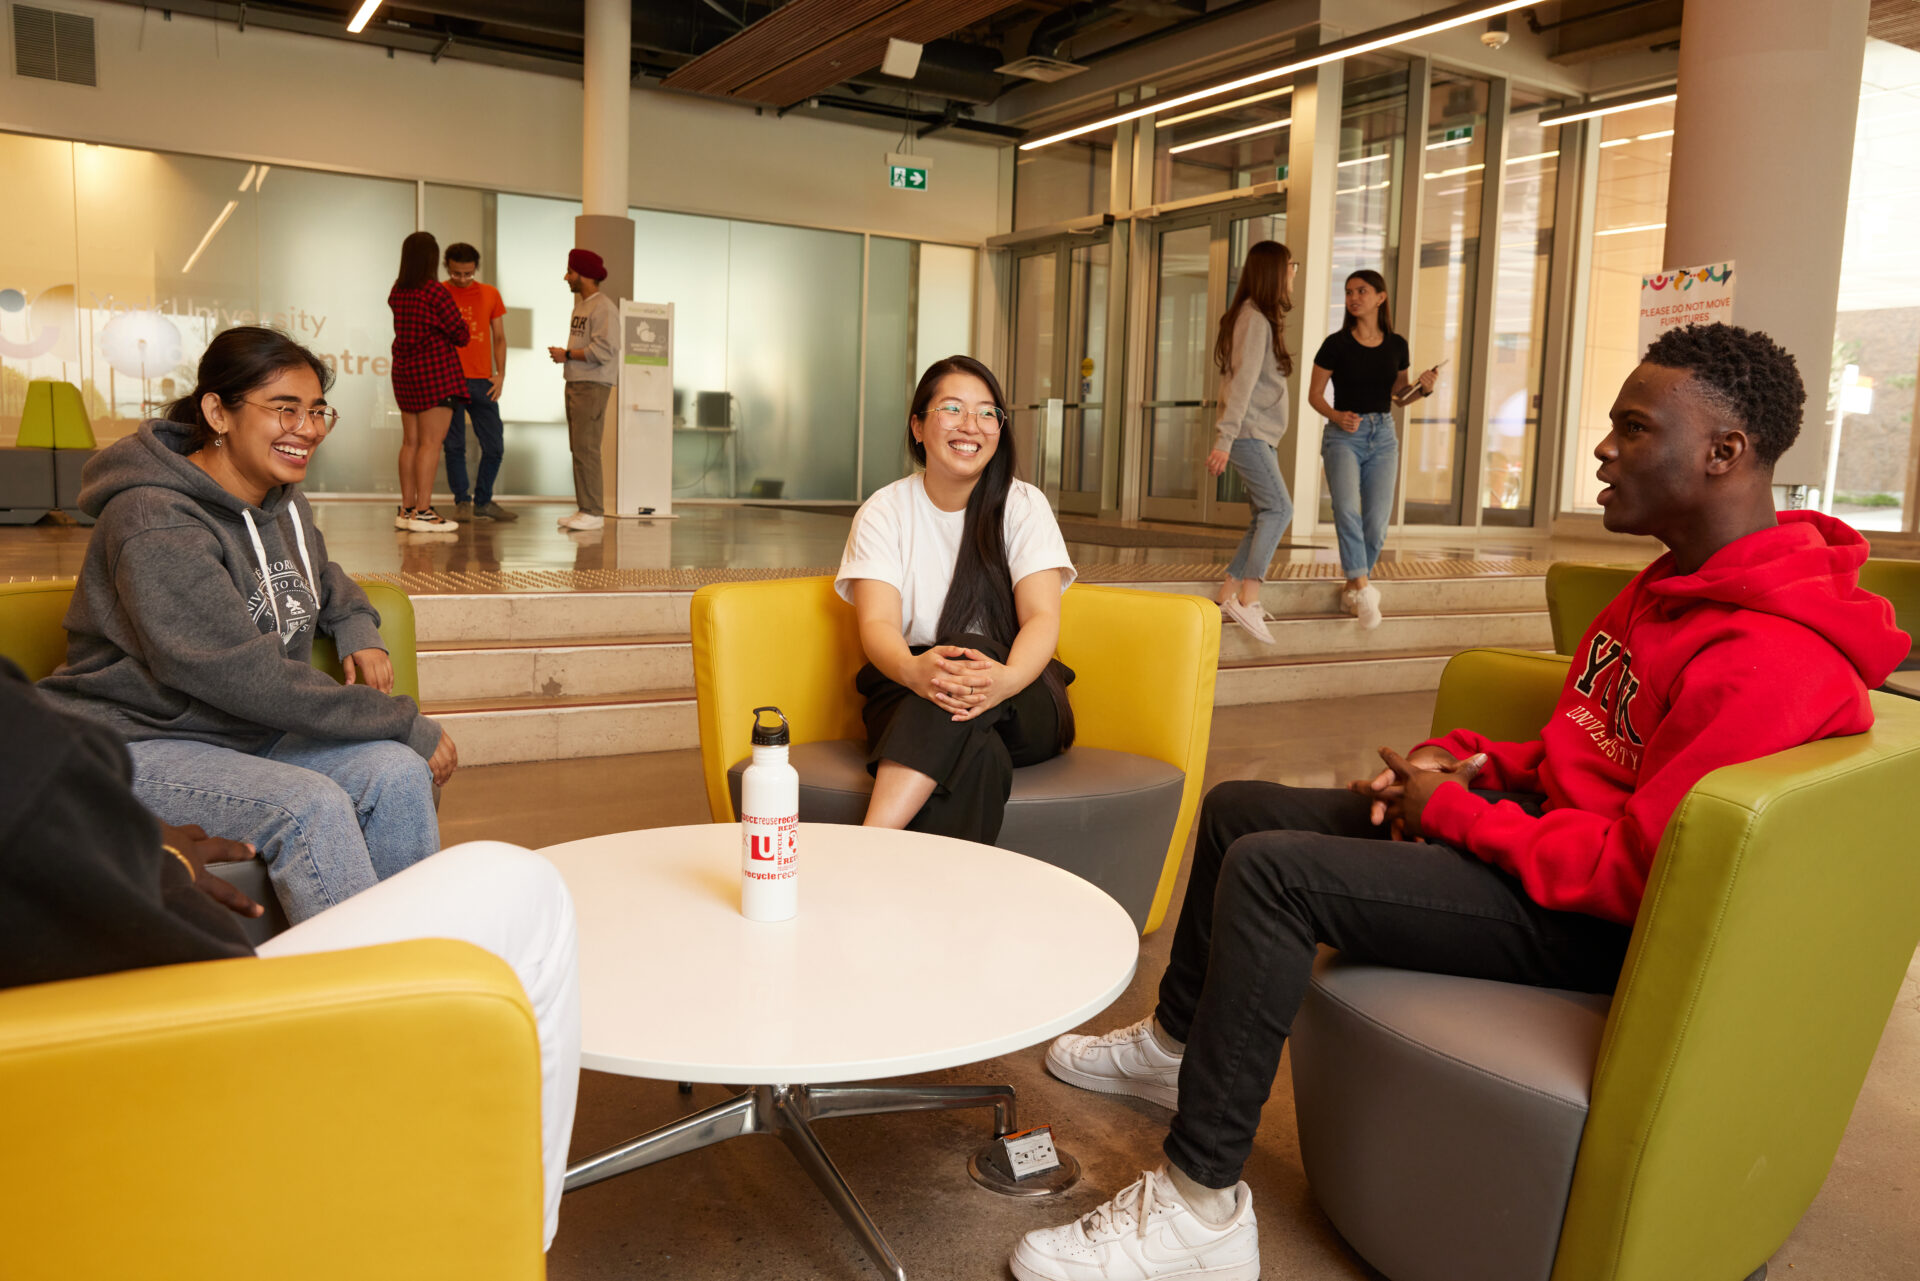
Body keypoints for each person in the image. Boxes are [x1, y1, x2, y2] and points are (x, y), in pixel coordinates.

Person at [1010, 323, 1909, 1281]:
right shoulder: (1668, 585)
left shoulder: (1769, 659)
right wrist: (1475, 763)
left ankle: (1201, 1211)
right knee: (1240, 808)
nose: (1603, 449)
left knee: (1274, 876)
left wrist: (1449, 813)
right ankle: (1174, 1047)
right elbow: (1594, 755)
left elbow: (1642, 873)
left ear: (1724, 452)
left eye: (1634, 428)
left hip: (1592, 920)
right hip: (1541, 846)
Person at [0, 657, 580, 1251]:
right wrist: (158, 857)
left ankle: (420, 1073)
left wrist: (355, 625)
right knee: (525, 885)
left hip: (136, 1022)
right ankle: (484, 1235)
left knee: (401, 778)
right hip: (191, 1045)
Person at [38, 326, 459, 926]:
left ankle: (425, 961)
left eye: (316, 411)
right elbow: (241, 675)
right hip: (136, 741)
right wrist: (400, 721)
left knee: (395, 777)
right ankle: (366, 994)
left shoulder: (280, 499)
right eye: (284, 409)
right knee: (309, 805)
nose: (307, 428)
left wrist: (355, 624)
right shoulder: (153, 518)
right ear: (218, 412)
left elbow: (319, 575)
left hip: (241, 733)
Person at [835, 355, 1077, 844]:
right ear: (918, 426)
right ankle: (948, 914)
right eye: (952, 408)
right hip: (908, 684)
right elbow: (878, 625)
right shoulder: (885, 512)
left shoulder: (1023, 505)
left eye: (988, 413)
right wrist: (913, 671)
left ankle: (865, 846)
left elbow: (1041, 618)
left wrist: (1004, 680)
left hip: (1022, 691)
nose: (972, 425)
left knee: (971, 647)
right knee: (978, 757)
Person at [1306, 270, 1438, 630]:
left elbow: (1399, 397)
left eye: (1361, 291)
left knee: (1377, 522)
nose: (1353, 298)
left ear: (1381, 297)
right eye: (1349, 292)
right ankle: (1364, 589)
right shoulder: (1335, 344)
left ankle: (1353, 588)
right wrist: (1336, 416)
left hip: (1382, 436)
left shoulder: (1397, 345)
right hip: (1343, 436)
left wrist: (1422, 388)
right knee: (1346, 509)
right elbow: (1314, 395)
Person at [1206, 240, 1297, 646]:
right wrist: (1225, 439)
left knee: (1264, 513)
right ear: (1274, 272)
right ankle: (1250, 597)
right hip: (1249, 434)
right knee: (1280, 508)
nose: (1293, 272)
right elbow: (1240, 384)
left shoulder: (1254, 317)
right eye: (1290, 266)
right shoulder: (1255, 319)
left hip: (1257, 434)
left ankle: (1228, 593)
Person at [388, 230, 468, 533]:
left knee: (410, 442)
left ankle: (407, 509)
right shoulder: (434, 291)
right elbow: (460, 333)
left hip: (404, 371)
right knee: (431, 444)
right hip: (435, 372)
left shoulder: (398, 290)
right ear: (433, 259)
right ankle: (424, 511)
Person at [440, 241, 517, 524]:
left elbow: (499, 337)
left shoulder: (489, 294)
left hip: (482, 380)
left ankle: (483, 501)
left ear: (476, 270)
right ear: (447, 267)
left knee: (494, 445)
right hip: (449, 379)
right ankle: (462, 501)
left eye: (468, 274)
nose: (462, 279)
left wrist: (501, 375)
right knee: (454, 446)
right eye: (457, 273)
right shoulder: (439, 292)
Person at [548, 248, 618, 532]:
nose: (566, 277)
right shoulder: (581, 306)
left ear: (584, 274)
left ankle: (593, 511)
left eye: (571, 272)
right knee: (578, 447)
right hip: (577, 382)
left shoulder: (603, 308)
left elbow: (606, 349)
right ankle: (585, 508)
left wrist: (567, 354)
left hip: (592, 384)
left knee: (586, 448)